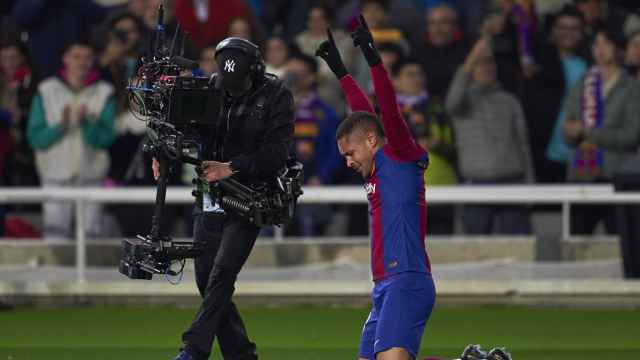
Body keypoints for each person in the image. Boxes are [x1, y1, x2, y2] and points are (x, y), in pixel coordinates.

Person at [154, 37, 295, 360]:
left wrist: (231, 167)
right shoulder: (209, 89)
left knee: (222, 273)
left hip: (252, 196)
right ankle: (241, 356)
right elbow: (179, 131)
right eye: (226, 84)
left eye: (239, 85)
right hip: (209, 194)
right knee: (206, 279)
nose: (231, 91)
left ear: (256, 71)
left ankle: (193, 350)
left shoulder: (277, 95)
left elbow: (276, 153)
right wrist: (162, 154)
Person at [316, 16, 435, 360]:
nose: (347, 162)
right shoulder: (372, 170)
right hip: (383, 286)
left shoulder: (400, 153)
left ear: (371, 141)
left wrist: (373, 60)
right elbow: (361, 112)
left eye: (350, 153)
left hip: (407, 280)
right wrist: (341, 71)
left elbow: (388, 112)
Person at [26, 40, 116, 240]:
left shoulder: (104, 92)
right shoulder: (46, 90)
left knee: (91, 239)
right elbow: (36, 139)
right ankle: (55, 274)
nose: (82, 62)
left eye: (87, 57)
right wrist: (61, 125)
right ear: (65, 59)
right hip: (55, 177)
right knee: (55, 238)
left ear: (93, 60)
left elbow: (106, 139)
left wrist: (86, 124)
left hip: (91, 177)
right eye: (76, 57)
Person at [445, 38, 534, 235]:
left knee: (519, 249)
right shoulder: (462, 102)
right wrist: (471, 58)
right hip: (476, 185)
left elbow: (523, 145)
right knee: (475, 251)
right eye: (480, 63)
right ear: (470, 69)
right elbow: (452, 101)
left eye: (490, 62)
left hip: (513, 182)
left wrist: (530, 187)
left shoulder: (511, 101)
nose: (486, 67)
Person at [563, 28, 640, 235]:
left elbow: (631, 136)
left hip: (615, 175)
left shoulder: (632, 89)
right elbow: (568, 128)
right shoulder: (582, 83)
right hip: (582, 176)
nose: (600, 49)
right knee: (576, 239)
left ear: (618, 49)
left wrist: (589, 133)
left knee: (621, 241)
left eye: (606, 43)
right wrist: (570, 132)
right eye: (596, 44)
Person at [392, 58, 457, 234]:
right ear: (395, 80)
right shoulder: (385, 112)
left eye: (419, 74)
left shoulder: (439, 108)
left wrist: (437, 145)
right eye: (410, 75)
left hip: (440, 188)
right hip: (402, 192)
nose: (416, 79)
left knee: (441, 250)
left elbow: (455, 149)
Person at [282, 52, 342, 236]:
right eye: (290, 74)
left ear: (310, 77)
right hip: (280, 183)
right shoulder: (276, 112)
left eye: (298, 74)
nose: (294, 79)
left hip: (314, 183)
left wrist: (322, 177)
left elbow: (336, 151)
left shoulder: (327, 114)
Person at [415, 3, 469, 100]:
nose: (437, 29)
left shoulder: (467, 51)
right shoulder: (417, 52)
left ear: (455, 26)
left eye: (443, 22)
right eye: (432, 23)